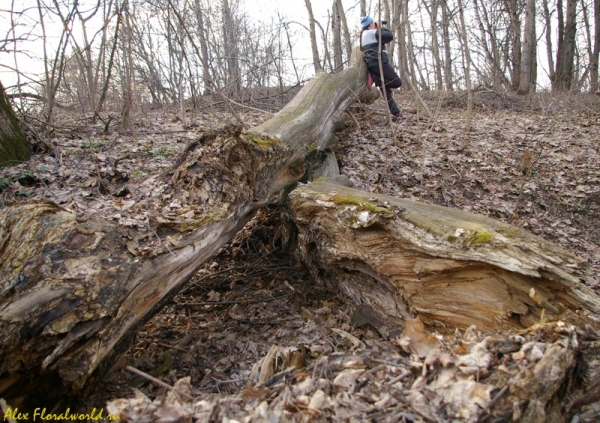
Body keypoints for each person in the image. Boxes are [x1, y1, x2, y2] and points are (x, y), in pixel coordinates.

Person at [360, 16, 402, 118]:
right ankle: (375, 77)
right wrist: (380, 27)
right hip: (378, 63)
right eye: (373, 23)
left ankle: (396, 112)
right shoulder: (371, 33)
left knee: (385, 89)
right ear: (370, 24)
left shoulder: (366, 34)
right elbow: (389, 36)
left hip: (374, 64)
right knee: (397, 82)